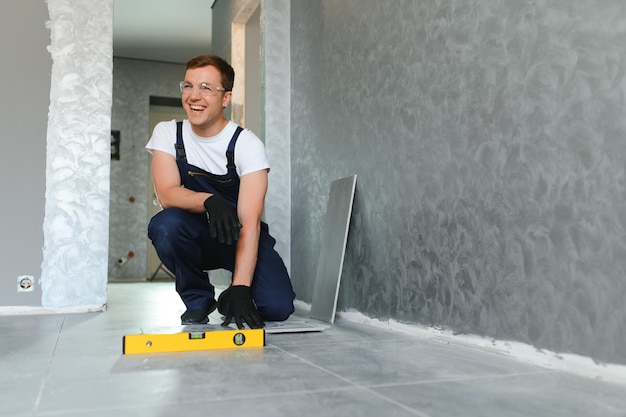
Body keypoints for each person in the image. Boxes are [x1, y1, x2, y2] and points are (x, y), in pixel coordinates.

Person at [146, 54, 295, 329]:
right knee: (165, 226)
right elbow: (167, 194)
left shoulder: (246, 144)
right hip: (195, 234)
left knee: (277, 306)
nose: (193, 96)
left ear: (225, 98)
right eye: (188, 86)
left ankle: (228, 299)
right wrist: (209, 200)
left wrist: (240, 288)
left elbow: (250, 223)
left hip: (239, 236)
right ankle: (198, 299)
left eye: (205, 88)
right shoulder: (169, 134)